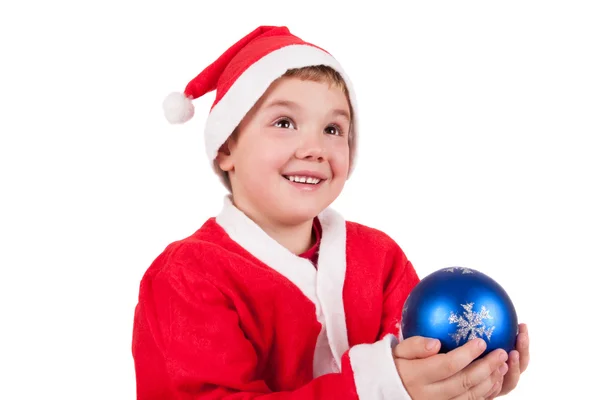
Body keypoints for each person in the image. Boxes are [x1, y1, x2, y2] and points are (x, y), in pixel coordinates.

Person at [132, 26, 529, 399]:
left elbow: (418, 372)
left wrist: (459, 380)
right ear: (226, 149)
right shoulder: (186, 278)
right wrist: (380, 385)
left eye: (334, 129)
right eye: (284, 122)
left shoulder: (380, 257)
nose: (315, 148)